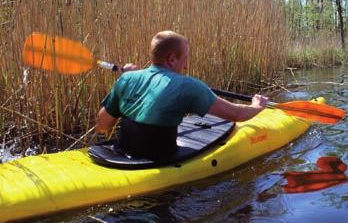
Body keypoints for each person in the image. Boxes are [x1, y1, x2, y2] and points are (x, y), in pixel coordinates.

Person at [95, 30, 268, 159]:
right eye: (185, 59)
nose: (185, 66)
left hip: (123, 153)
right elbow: (237, 114)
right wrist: (256, 106)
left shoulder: (127, 79)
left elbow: (102, 125)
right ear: (171, 59)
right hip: (159, 159)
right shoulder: (189, 86)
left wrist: (129, 80)